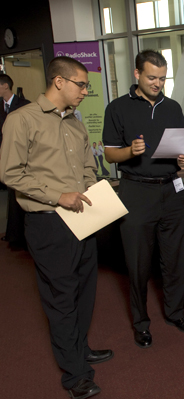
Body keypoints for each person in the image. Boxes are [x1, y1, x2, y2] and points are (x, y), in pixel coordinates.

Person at [0, 57, 113, 399]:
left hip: (84, 218)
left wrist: (93, 189)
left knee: (84, 291)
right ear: (59, 82)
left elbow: (86, 167)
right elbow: (10, 173)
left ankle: (79, 348)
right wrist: (57, 196)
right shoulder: (23, 120)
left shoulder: (76, 123)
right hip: (48, 222)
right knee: (61, 297)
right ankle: (75, 375)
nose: (85, 91)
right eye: (81, 84)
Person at [103, 50, 184, 349]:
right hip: (136, 191)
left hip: (172, 188)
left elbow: (183, 148)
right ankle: (141, 323)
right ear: (137, 74)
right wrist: (129, 151)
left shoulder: (172, 106)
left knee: (175, 259)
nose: (158, 83)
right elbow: (109, 152)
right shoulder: (117, 108)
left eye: (162, 78)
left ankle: (175, 312)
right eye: (152, 77)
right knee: (138, 263)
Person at [0, 74, 30, 247]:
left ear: (5, 86)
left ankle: (21, 236)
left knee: (19, 195)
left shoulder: (24, 105)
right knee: (11, 196)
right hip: (5, 154)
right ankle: (14, 235)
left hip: (21, 155)